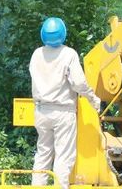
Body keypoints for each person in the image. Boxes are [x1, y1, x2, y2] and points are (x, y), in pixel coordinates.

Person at [29, 17, 101, 189]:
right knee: (63, 155)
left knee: (43, 154)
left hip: (41, 111)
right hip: (63, 112)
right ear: (63, 33)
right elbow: (78, 83)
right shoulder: (68, 54)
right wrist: (93, 99)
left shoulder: (37, 54)